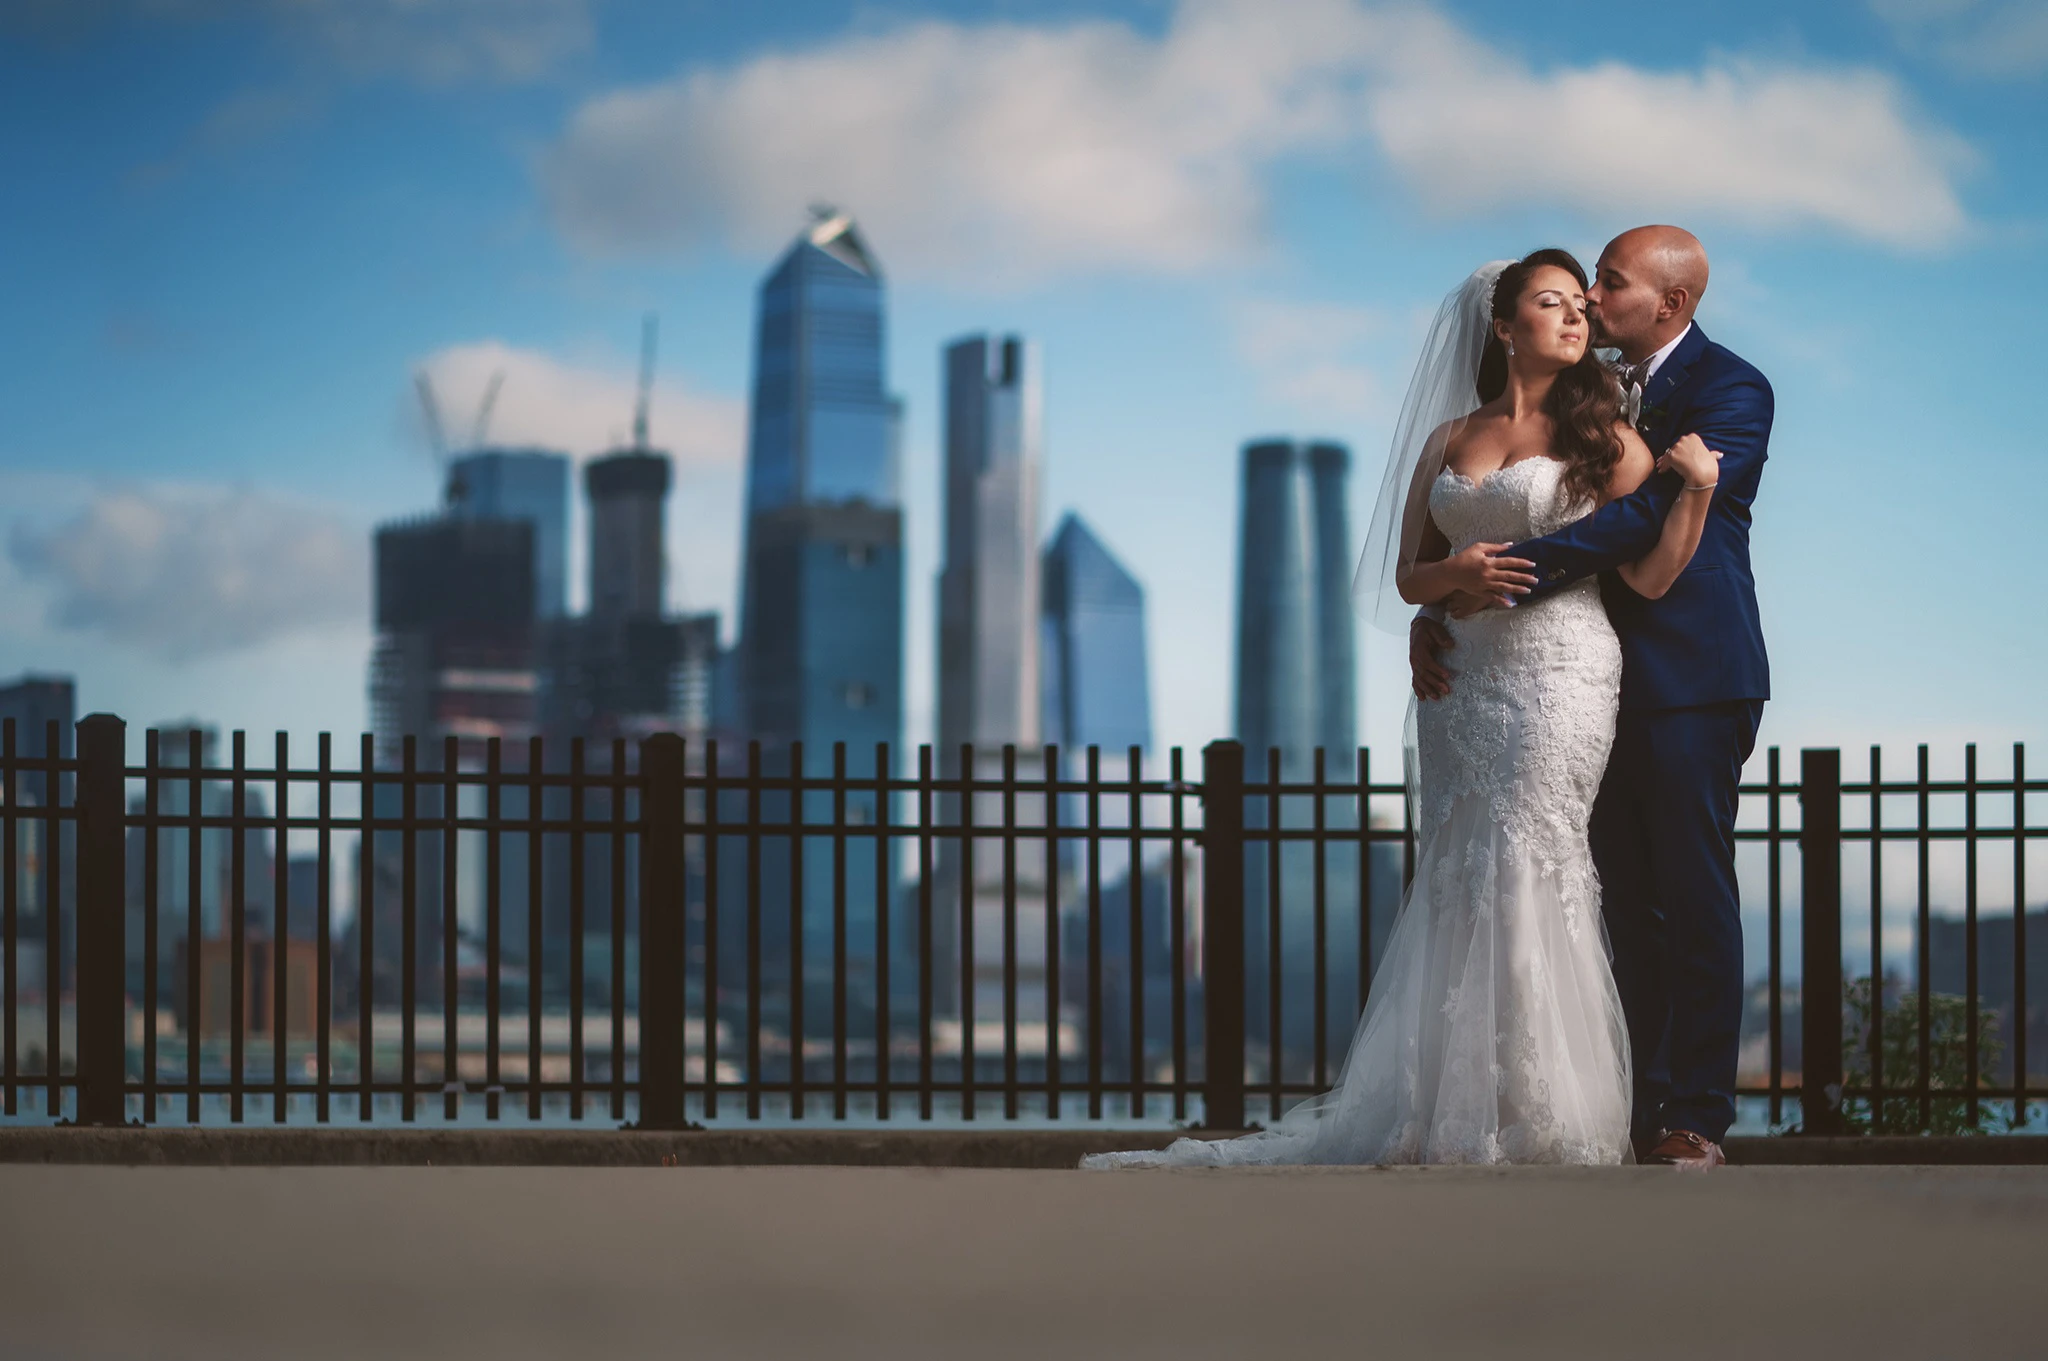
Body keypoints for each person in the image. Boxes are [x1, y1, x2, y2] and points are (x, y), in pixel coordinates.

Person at [1083, 247, 1722, 1169]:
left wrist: (1694, 489)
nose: (1576, 316)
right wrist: (1450, 585)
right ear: (1505, 328)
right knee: (1461, 862)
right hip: (1463, 677)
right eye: (1551, 303)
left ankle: (1542, 1108)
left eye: (1580, 303)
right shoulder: (1450, 438)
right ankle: (1445, 1101)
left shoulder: (1608, 437)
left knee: (1532, 855)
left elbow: (1654, 575)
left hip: (1563, 670)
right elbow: (1408, 574)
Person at [1414, 226, 1771, 1168]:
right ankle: (1622, 1107)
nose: (1589, 298)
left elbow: (1636, 521)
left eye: (1606, 284)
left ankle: (1694, 1116)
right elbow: (1491, 496)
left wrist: (1475, 580)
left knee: (1691, 895)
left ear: (1670, 305)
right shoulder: (1590, 393)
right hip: (1561, 673)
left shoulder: (1733, 389)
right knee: (1608, 896)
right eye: (1580, 285)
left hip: (1685, 675)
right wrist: (1443, 602)